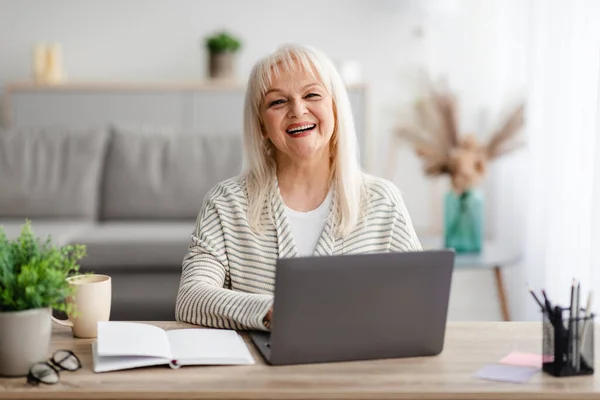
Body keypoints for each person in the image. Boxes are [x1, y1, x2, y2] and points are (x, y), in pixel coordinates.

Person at [175, 44, 421, 331]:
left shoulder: (382, 201)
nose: (297, 109)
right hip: (257, 372)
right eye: (278, 102)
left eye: (312, 95)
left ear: (335, 108)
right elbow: (190, 297)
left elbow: (419, 297)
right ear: (262, 125)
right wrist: (270, 310)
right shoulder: (226, 203)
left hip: (357, 369)